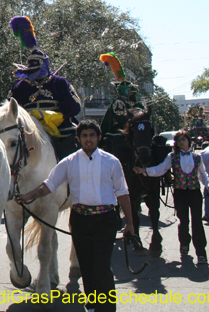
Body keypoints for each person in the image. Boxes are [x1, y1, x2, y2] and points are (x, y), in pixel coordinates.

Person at [17, 120, 132, 312]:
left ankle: (107, 308)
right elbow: (49, 184)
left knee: (101, 267)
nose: (89, 139)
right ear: (78, 139)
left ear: (99, 138)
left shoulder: (111, 162)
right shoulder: (69, 162)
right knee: (86, 266)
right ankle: (93, 304)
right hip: (81, 220)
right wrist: (27, 196)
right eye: (85, 136)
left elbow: (123, 192)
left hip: (105, 219)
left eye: (92, 136)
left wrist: (130, 222)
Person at [135, 130, 209, 265]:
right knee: (183, 222)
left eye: (184, 139)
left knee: (197, 223)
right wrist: (145, 171)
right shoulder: (172, 157)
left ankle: (201, 252)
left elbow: (203, 174)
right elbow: (161, 169)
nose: (182, 142)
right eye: (179, 140)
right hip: (180, 193)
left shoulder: (197, 157)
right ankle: (184, 244)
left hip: (195, 193)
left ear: (189, 141)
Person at [9, 16, 82, 161]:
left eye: (39, 67)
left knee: (74, 144)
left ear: (46, 66)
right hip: (29, 129)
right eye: (32, 67)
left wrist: (53, 116)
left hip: (58, 128)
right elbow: (10, 108)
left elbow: (75, 106)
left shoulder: (59, 83)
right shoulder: (20, 87)